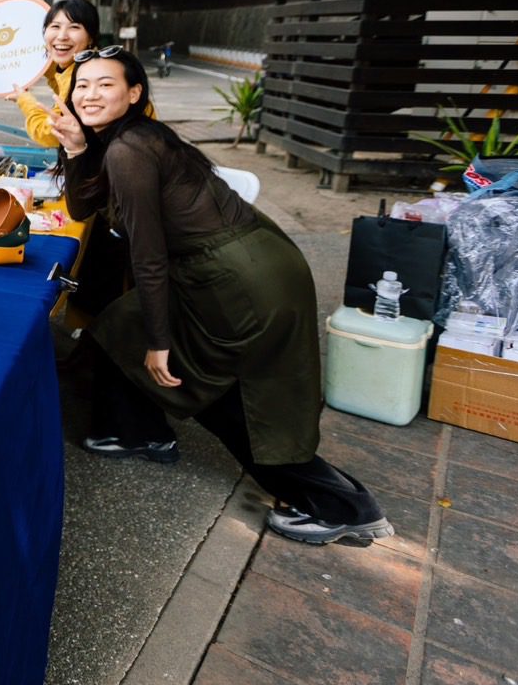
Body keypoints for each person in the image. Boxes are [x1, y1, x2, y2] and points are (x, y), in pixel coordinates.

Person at [53, 50, 392, 546]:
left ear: (134, 93)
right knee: (122, 323)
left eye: (105, 84)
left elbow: (148, 257)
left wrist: (160, 341)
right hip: (250, 260)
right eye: (82, 85)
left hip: (237, 278)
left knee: (215, 391)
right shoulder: (127, 138)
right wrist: (76, 147)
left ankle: (340, 506)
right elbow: (85, 207)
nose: (89, 94)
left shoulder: (128, 149)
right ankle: (139, 430)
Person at [6, 0, 100, 147]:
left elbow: (50, 133)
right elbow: (64, 93)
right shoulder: (81, 65)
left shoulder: (88, 75)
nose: (62, 36)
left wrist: (25, 100)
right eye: (55, 26)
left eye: (74, 27)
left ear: (91, 37)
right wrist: (44, 67)